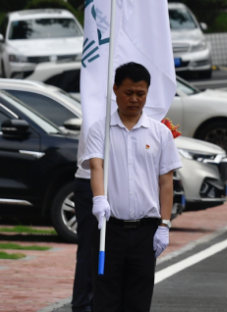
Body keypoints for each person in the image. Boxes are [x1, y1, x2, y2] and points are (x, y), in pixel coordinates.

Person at [81, 62, 182, 312]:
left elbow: (166, 182)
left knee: (138, 302)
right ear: (115, 90)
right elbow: (96, 167)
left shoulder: (160, 133)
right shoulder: (100, 130)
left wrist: (164, 226)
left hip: (144, 233)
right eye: (128, 93)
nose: (134, 100)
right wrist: (99, 199)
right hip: (109, 231)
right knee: (106, 300)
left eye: (141, 94)